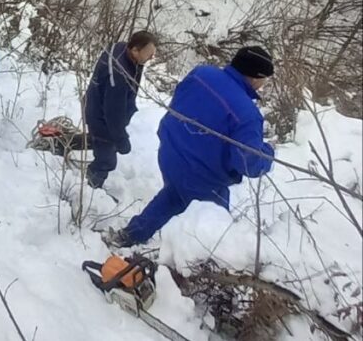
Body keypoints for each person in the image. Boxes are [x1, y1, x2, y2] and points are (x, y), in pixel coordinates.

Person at [108, 46, 276, 247]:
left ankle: (130, 235)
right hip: (203, 177)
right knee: (214, 232)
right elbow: (248, 162)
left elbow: (181, 101)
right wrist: (268, 155)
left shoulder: (201, 73)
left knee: (173, 196)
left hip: (171, 152)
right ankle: (196, 269)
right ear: (256, 77)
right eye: (265, 79)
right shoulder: (247, 114)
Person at [84, 31, 157, 189]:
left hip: (97, 104)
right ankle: (89, 190)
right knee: (107, 160)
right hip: (100, 116)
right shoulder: (119, 75)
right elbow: (113, 114)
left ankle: (64, 144)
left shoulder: (121, 48)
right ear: (135, 50)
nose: (152, 58)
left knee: (97, 141)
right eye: (149, 54)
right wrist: (122, 140)